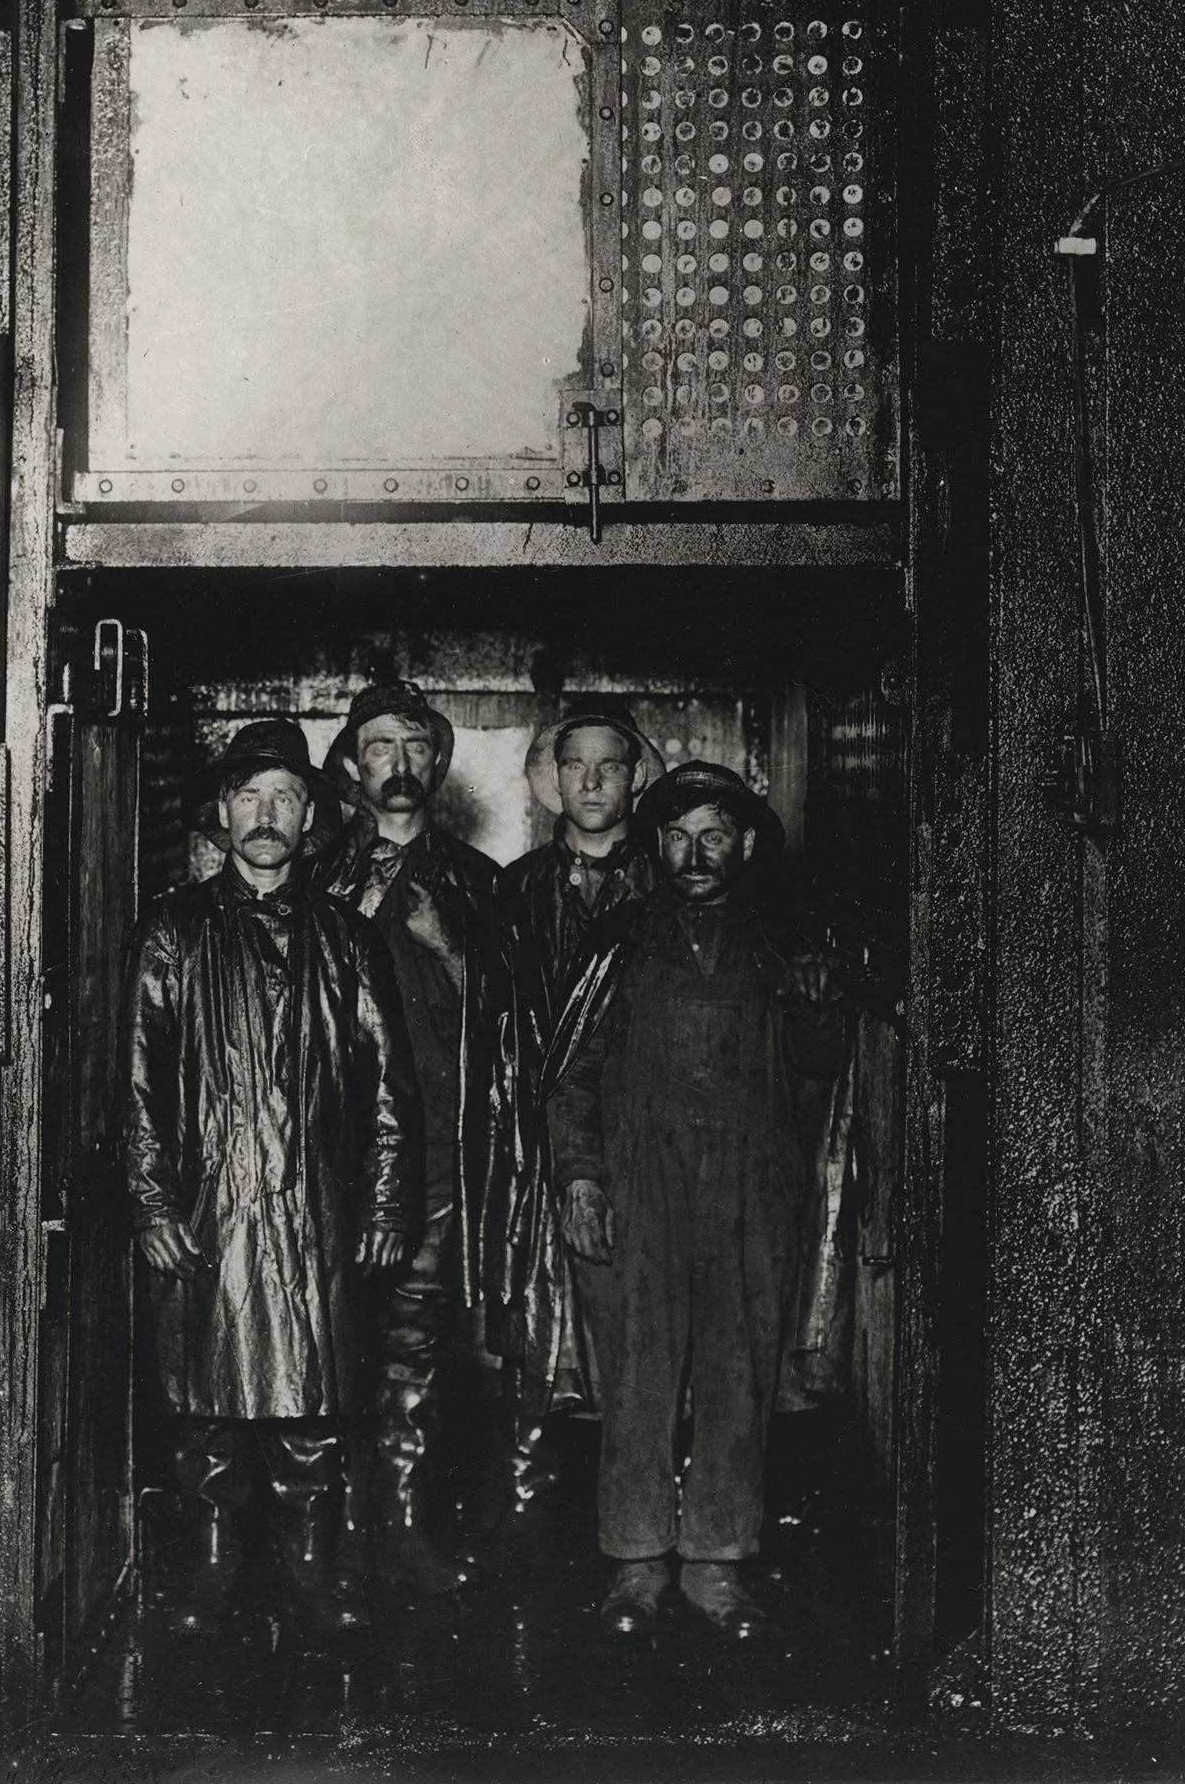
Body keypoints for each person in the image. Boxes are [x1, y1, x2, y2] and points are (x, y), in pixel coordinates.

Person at [123, 716, 416, 1638]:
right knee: (206, 1408)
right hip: (211, 1205)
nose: (264, 815)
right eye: (248, 797)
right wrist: (151, 1198)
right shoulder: (171, 932)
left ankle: (310, 1574)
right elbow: (133, 1075)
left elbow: (387, 1090)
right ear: (220, 813)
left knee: (314, 1404)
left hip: (318, 1210)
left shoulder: (348, 940)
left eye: (283, 798)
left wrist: (381, 1202)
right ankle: (210, 1575)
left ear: (308, 816)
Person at [544, 759, 846, 1640]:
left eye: (712, 833)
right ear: (656, 847)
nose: (694, 852)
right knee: (638, 1372)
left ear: (744, 843)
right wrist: (581, 1177)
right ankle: (636, 1564)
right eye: (676, 836)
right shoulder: (619, 942)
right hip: (643, 1186)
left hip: (752, 1186)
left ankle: (716, 1562)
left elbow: (820, 1072)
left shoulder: (785, 944)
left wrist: (821, 1010)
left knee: (737, 1369)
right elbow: (568, 1077)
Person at [315, 679, 522, 1593]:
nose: (399, 766)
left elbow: (518, 1020)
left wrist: (449, 950)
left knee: (412, 1348)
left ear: (436, 763)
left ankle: (397, 1532)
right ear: (352, 767)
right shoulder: (315, 875)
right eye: (380, 748)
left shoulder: (480, 886)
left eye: (415, 747)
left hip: (437, 1155)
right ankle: (323, 1540)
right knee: (320, 1340)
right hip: (324, 1157)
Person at [495, 696, 666, 1538]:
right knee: (537, 1328)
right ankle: (532, 1519)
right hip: (540, 1150)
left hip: (643, 1144)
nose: (592, 780)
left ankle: (650, 1513)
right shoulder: (516, 890)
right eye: (575, 765)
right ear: (550, 780)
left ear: (636, 776)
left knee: (649, 1327)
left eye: (610, 764)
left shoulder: (672, 883)